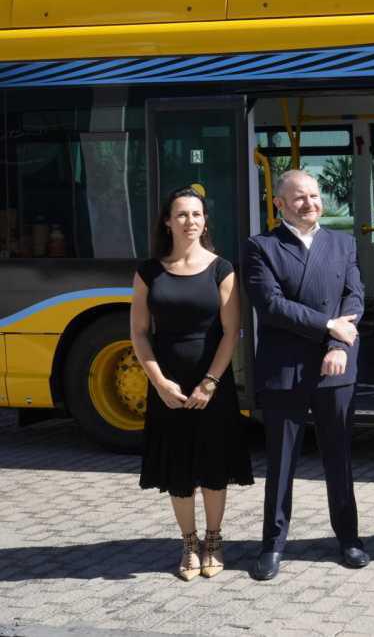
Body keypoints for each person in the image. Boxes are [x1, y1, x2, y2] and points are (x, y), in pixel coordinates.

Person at [242, 170, 368, 581]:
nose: (310, 203)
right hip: (285, 370)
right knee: (281, 463)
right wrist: (328, 327)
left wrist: (336, 346)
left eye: (314, 195)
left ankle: (348, 538)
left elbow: (354, 297)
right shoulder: (261, 247)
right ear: (279, 204)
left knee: (339, 459)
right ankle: (272, 544)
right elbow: (272, 306)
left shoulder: (343, 243)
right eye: (299, 198)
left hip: (335, 368)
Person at [131, 186, 253, 581]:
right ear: (167, 222)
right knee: (177, 469)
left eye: (197, 214)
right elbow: (139, 333)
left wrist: (211, 382)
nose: (190, 221)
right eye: (181, 214)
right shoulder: (149, 271)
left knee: (214, 465)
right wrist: (160, 382)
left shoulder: (223, 268)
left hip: (210, 387)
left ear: (205, 221)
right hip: (168, 387)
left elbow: (231, 332)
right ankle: (188, 543)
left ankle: (214, 541)